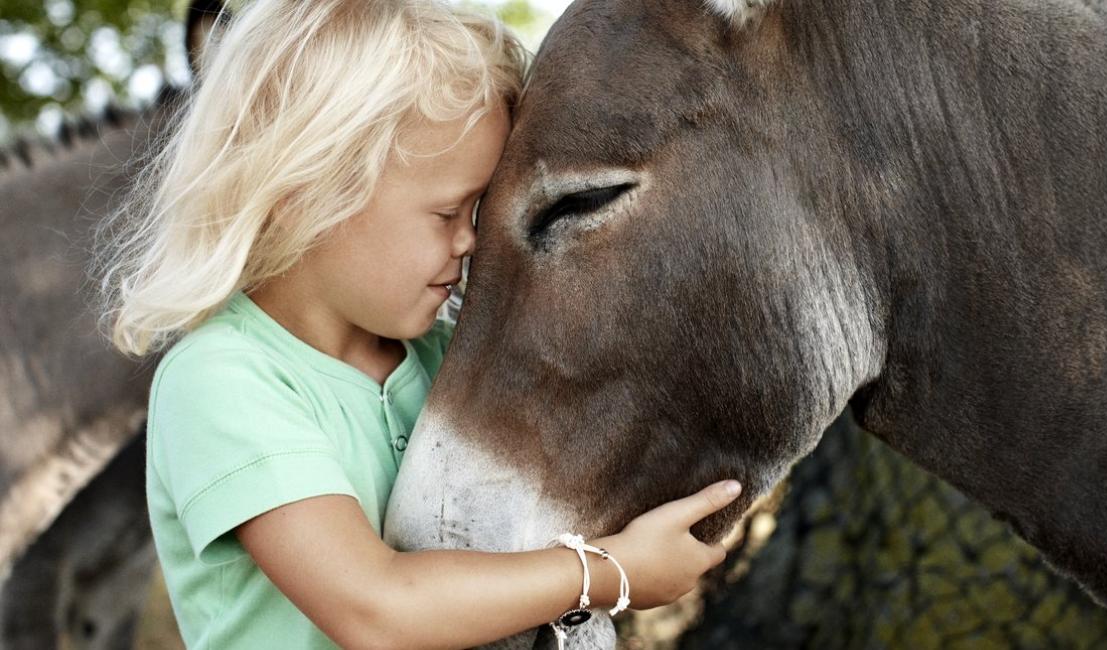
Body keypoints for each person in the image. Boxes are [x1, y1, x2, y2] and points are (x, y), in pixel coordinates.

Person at [95, 1, 742, 647]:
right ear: (306, 195)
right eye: (447, 213)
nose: (472, 242)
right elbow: (375, 609)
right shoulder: (224, 381)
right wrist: (607, 572)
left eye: (478, 210)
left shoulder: (441, 355)